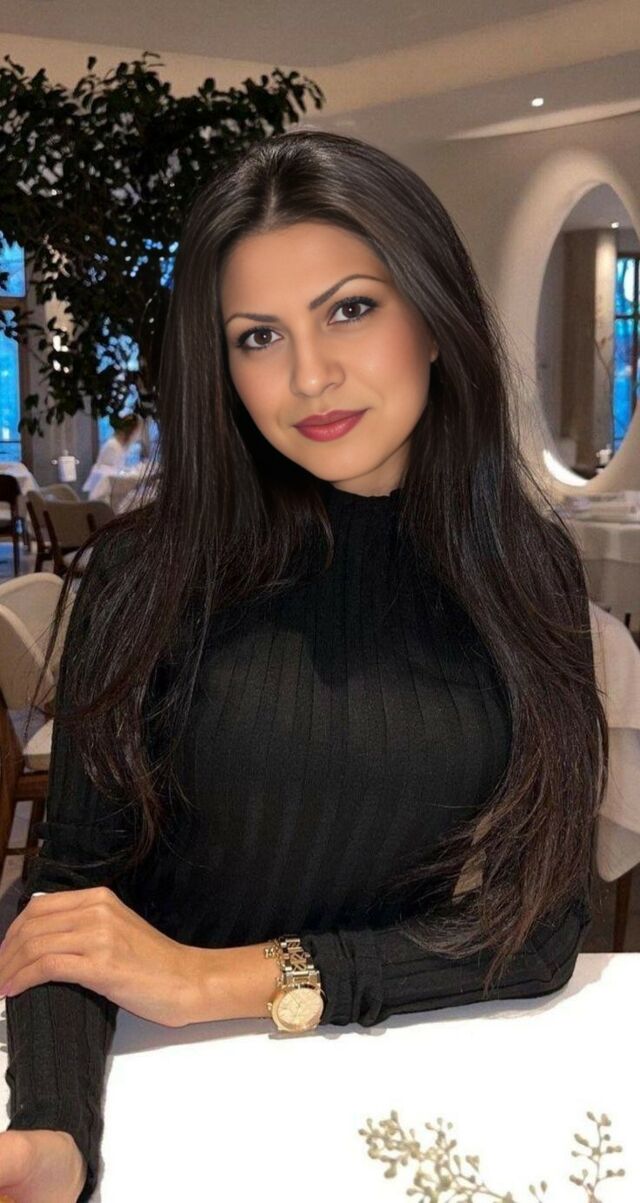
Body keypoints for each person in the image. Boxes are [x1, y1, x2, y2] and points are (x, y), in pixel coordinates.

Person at [0, 128, 607, 1202]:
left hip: (398, 1078)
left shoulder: (525, 574)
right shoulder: (149, 576)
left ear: (434, 316)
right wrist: (54, 1142)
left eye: (351, 309)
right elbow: (72, 907)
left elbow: (539, 929)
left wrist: (214, 979)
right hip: (163, 1085)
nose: (309, 375)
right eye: (258, 336)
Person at [81, 413, 145, 497]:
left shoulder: (120, 446)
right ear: (131, 432)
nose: (138, 436)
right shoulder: (113, 446)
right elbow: (107, 474)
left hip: (110, 491)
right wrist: (128, 475)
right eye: (138, 432)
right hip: (102, 494)